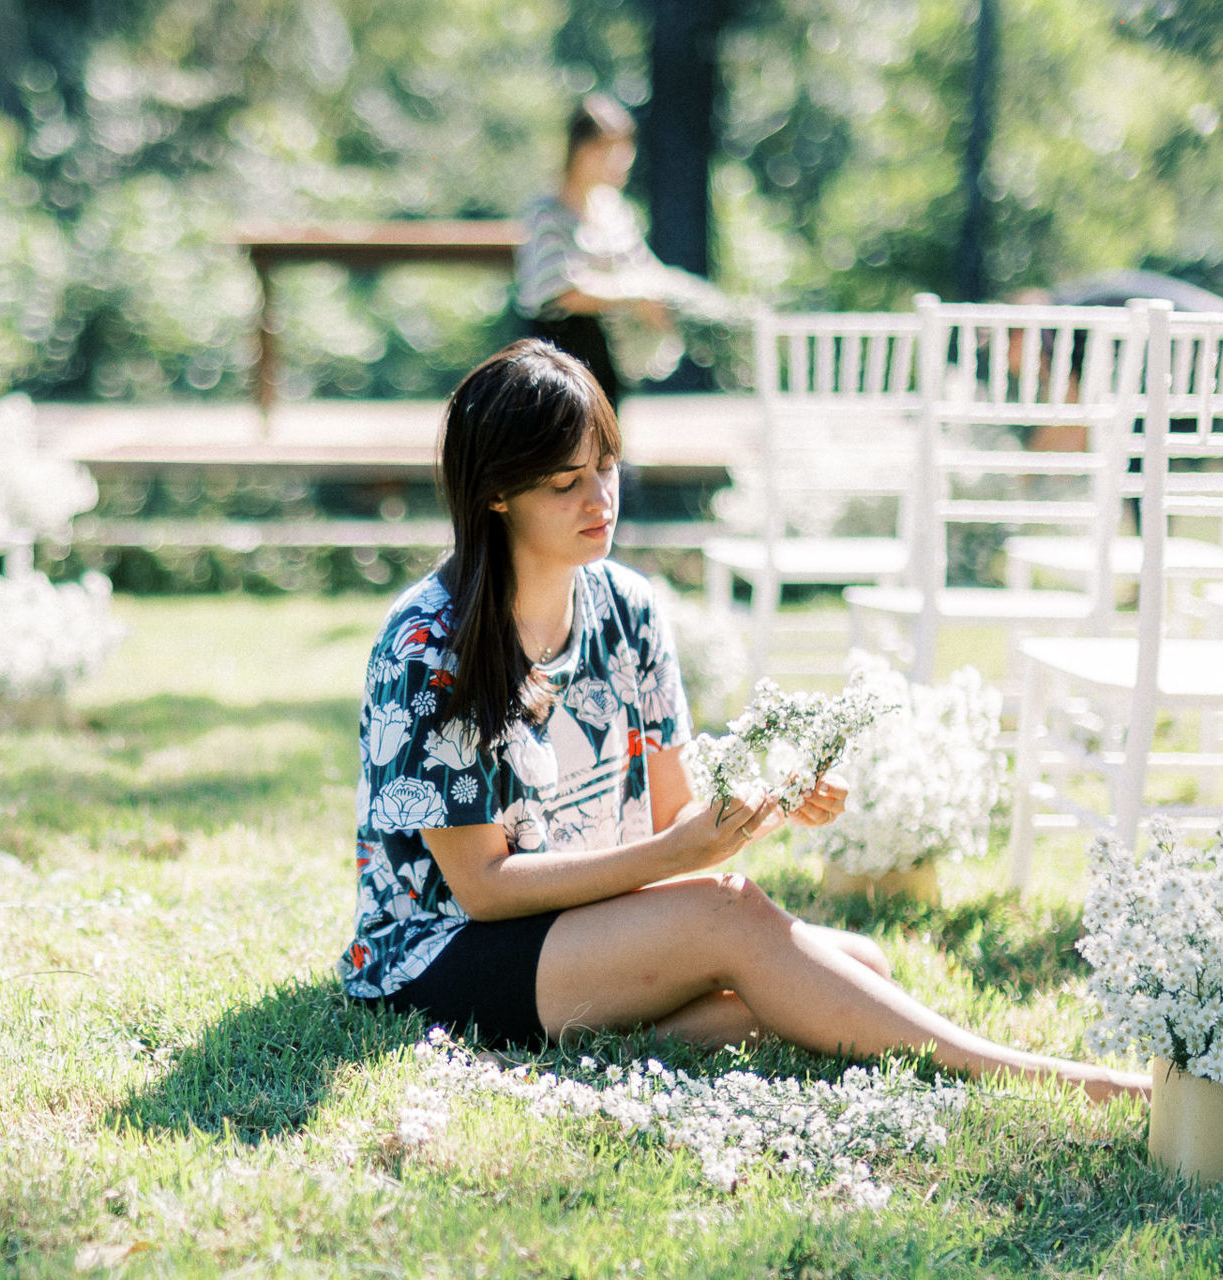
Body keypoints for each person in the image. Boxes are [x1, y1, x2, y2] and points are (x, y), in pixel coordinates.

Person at [340, 339, 1149, 1102]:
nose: (600, 498)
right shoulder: (426, 645)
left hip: (579, 926)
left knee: (843, 968)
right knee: (749, 930)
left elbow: (673, 817)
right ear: (497, 493)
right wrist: (679, 857)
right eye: (564, 483)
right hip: (439, 956)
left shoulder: (629, 609)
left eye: (607, 466)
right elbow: (480, 890)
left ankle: (607, 1037)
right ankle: (1030, 1072)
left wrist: (765, 802)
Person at [514, 95, 686, 411]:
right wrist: (635, 296)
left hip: (608, 361)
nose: (624, 160)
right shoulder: (547, 212)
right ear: (582, 150)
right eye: (612, 149)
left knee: (607, 455)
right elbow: (562, 291)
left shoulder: (614, 210)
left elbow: (646, 271)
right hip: (556, 365)